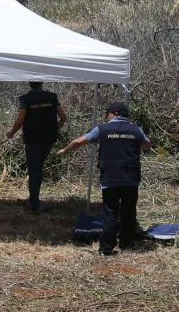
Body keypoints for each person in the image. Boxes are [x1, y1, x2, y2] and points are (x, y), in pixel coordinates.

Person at [57, 102, 152, 256]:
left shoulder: (102, 129)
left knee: (110, 212)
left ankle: (107, 248)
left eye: (107, 113)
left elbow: (79, 141)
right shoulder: (136, 129)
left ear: (114, 113)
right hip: (131, 178)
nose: (106, 116)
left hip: (110, 177)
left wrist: (64, 150)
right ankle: (127, 244)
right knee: (129, 211)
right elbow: (147, 144)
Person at [6, 82, 67, 213]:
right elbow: (63, 117)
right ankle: (34, 199)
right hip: (49, 139)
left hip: (33, 140)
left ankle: (34, 203)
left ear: (29, 84)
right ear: (42, 83)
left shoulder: (25, 99)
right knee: (38, 168)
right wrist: (55, 127)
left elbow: (20, 119)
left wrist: (11, 133)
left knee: (34, 170)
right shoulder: (52, 97)